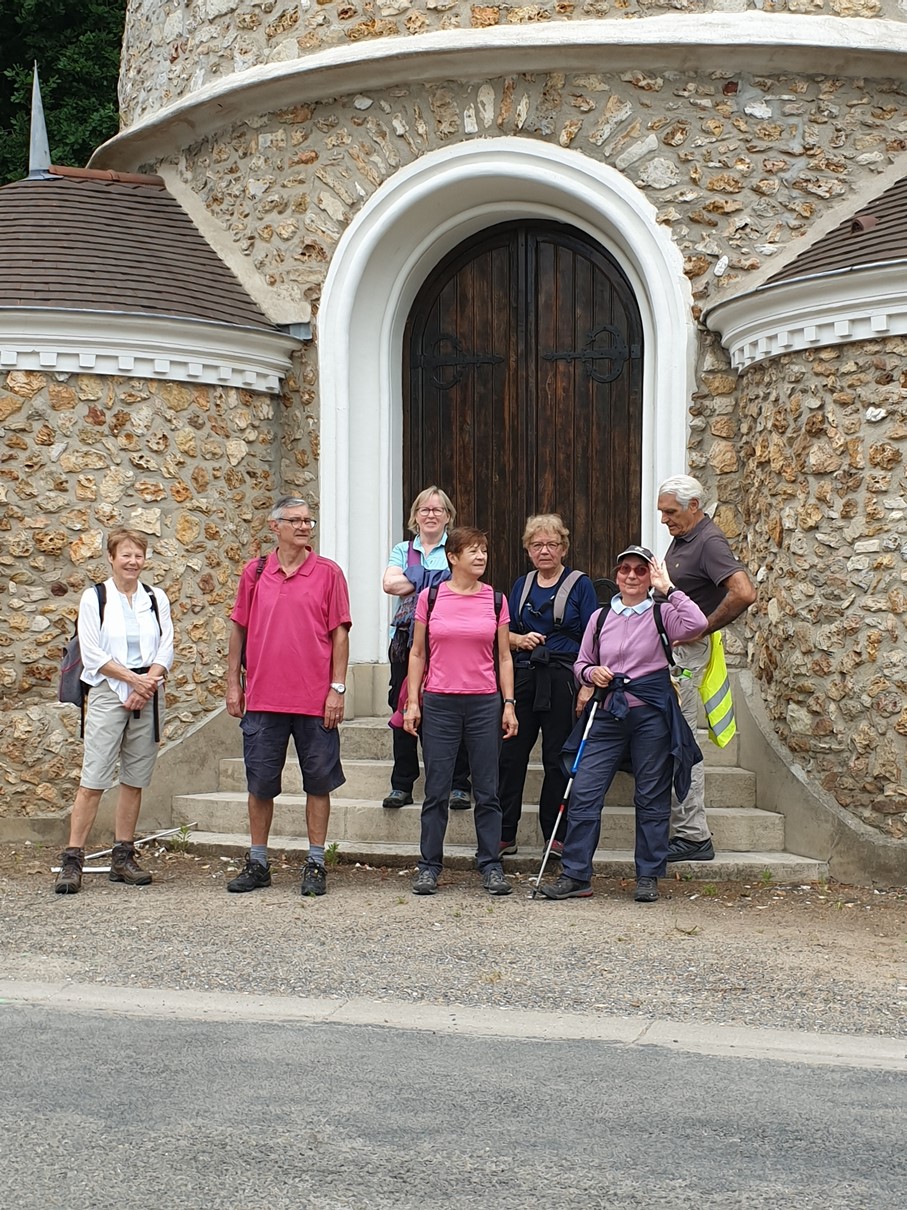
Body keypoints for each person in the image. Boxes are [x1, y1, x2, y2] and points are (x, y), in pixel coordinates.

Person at [538, 545, 706, 904]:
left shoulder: (664, 615)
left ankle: (648, 875)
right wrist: (590, 673)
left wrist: (669, 588)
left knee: (651, 796)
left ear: (649, 576)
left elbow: (698, 624)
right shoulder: (600, 618)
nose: (631, 576)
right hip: (607, 711)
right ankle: (576, 874)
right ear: (616, 576)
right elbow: (581, 663)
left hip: (651, 713)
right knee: (584, 791)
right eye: (625, 570)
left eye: (640, 570)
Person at [225, 496, 351, 897]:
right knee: (260, 783)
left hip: (315, 701)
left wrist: (337, 688)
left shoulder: (329, 573)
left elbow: (340, 634)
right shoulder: (255, 572)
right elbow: (239, 629)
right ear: (273, 526)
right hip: (263, 699)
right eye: (294, 520)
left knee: (318, 783)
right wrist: (233, 682)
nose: (303, 527)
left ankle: (315, 862)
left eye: (308, 521)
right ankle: (258, 861)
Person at [54, 529, 174, 894]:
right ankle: (73, 859)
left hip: (148, 694)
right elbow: (92, 654)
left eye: (138, 555)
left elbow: (166, 648)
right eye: (126, 555)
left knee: (134, 779)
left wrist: (147, 684)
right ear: (111, 557)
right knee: (93, 780)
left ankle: (123, 856)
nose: (133, 561)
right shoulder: (96, 598)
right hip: (109, 692)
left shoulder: (156, 598)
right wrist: (133, 683)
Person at [404, 527, 518, 896]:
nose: (481, 557)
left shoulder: (496, 600)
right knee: (436, 789)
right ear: (452, 557)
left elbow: (504, 656)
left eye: (484, 550)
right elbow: (418, 652)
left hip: (484, 702)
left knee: (487, 789)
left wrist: (509, 704)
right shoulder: (430, 598)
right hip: (439, 702)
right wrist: (412, 702)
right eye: (473, 550)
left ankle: (490, 864)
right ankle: (428, 865)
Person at [657, 475, 757, 862]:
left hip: (686, 656)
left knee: (683, 742)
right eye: (663, 512)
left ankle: (693, 835)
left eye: (671, 511)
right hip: (671, 652)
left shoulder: (709, 541)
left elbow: (744, 592)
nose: (665, 519)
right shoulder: (685, 537)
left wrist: (702, 626)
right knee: (668, 738)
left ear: (694, 505)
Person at [498, 514, 598, 859]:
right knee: (510, 756)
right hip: (525, 676)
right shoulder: (521, 585)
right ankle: (504, 833)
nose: (544, 551)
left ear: (563, 548)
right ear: (527, 550)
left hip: (562, 678)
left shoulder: (580, 584)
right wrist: (519, 639)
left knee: (557, 758)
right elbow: (503, 635)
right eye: (537, 545)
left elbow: (592, 636)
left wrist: (586, 683)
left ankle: (555, 835)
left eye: (551, 544)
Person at [381, 486, 472, 811]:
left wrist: (414, 578)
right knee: (403, 708)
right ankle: (402, 785)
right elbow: (389, 584)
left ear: (448, 516)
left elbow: (461, 581)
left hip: (448, 642)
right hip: (406, 643)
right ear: (415, 516)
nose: (431, 515)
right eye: (424, 509)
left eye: (437, 510)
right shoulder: (401, 548)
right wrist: (437, 577)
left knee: (452, 710)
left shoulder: (458, 547)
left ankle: (459, 784)